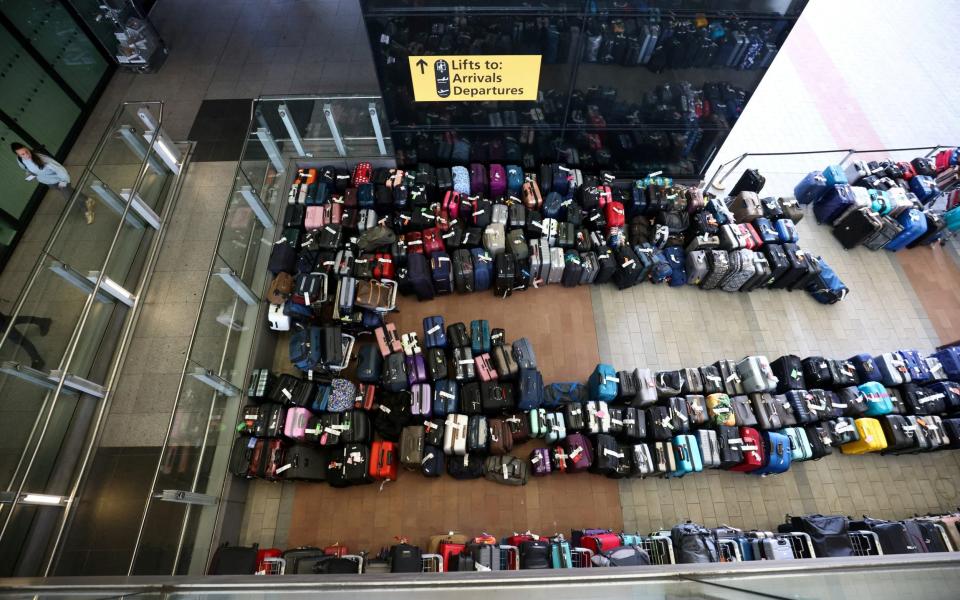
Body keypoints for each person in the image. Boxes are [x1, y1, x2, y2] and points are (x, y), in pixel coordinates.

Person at [11, 142, 95, 224]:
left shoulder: (43, 159)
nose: (26, 155)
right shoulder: (20, 160)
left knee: (70, 197)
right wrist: (29, 174)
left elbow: (60, 170)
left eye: (27, 151)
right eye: (22, 154)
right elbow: (26, 169)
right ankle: (88, 199)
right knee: (70, 192)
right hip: (49, 182)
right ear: (18, 155)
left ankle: (87, 212)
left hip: (61, 180)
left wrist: (63, 183)